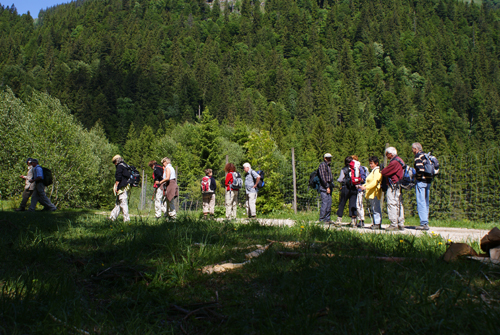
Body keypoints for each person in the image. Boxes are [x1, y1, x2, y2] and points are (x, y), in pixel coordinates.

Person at [381, 147, 405, 231]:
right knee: (399, 203)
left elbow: (384, 172)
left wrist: (383, 170)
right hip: (399, 185)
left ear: (390, 154)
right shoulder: (400, 160)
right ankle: (400, 223)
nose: (386, 156)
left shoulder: (394, 162)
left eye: (387, 154)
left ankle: (393, 223)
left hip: (393, 185)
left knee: (391, 203)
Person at [412, 142, 432, 231]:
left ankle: (423, 223)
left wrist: (417, 177)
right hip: (428, 180)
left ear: (416, 149)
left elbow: (420, 169)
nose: (412, 151)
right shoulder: (426, 156)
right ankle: (426, 221)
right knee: (426, 202)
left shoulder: (418, 156)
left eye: (413, 149)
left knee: (421, 202)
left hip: (421, 181)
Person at [359, 156, 383, 230]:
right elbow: (368, 181)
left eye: (372, 163)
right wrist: (363, 186)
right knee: (374, 208)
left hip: (374, 192)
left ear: (376, 163)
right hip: (371, 193)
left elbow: (375, 182)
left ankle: (377, 223)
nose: (370, 165)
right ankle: (376, 223)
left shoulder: (377, 171)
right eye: (370, 163)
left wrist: (366, 187)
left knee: (376, 208)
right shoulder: (373, 171)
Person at [334, 156, 358, 227]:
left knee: (342, 203)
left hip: (345, 188)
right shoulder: (355, 169)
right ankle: (353, 221)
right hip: (354, 188)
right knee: (353, 204)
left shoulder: (344, 169)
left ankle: (339, 220)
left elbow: (341, 179)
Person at [109, 155, 130, 222]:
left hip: (122, 187)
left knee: (123, 203)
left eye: (114, 162)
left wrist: (116, 187)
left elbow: (118, 177)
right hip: (126, 186)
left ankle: (126, 220)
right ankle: (112, 217)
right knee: (118, 203)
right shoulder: (125, 166)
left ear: (116, 161)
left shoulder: (120, 166)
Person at [352, 155, 368, 227]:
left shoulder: (359, 168)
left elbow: (363, 178)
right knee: (355, 205)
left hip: (359, 188)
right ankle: (358, 220)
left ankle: (361, 220)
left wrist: (357, 181)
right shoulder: (353, 168)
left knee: (359, 205)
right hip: (354, 189)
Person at [317, 153, 333, 223]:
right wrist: (327, 186)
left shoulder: (328, 165)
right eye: (328, 158)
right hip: (324, 187)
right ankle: (322, 219)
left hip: (328, 185)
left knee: (329, 202)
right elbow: (323, 177)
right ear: (325, 158)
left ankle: (327, 219)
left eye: (330, 158)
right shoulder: (323, 165)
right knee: (325, 203)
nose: (329, 159)